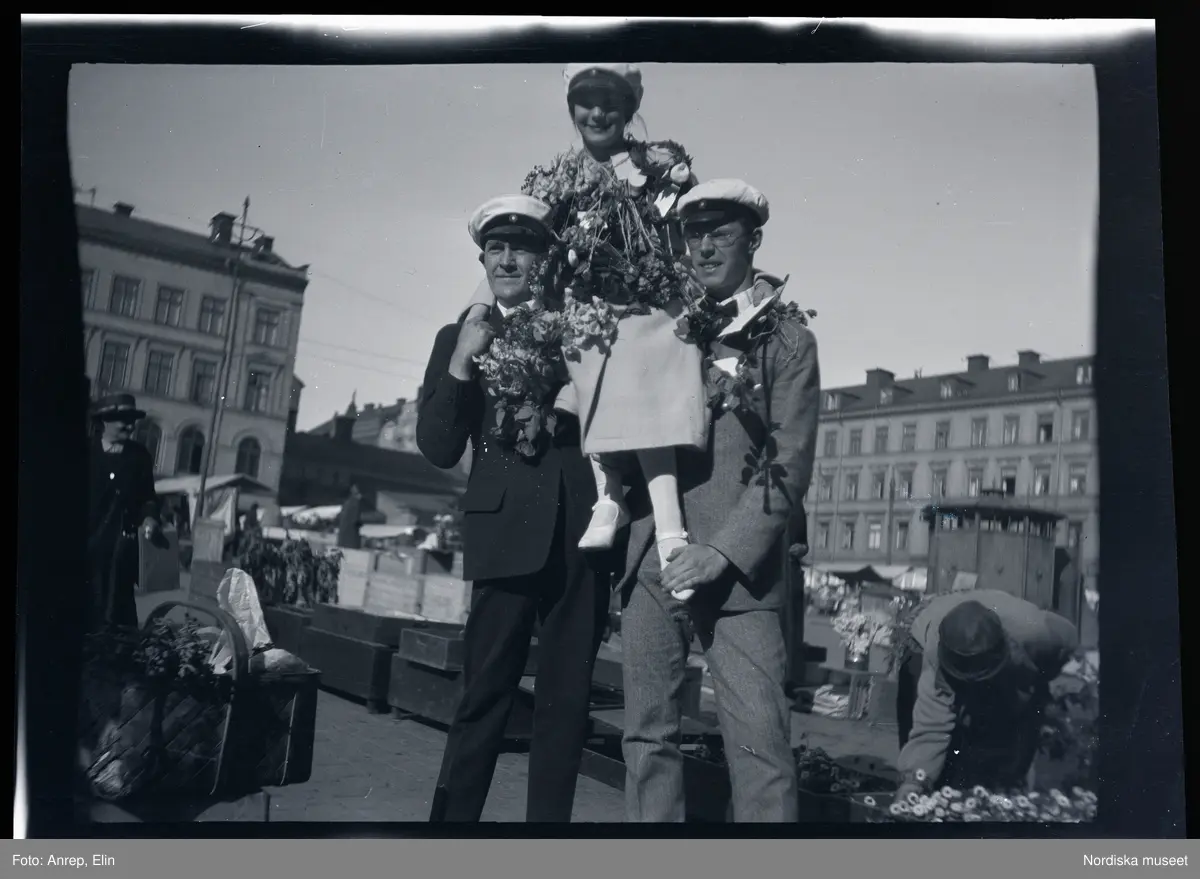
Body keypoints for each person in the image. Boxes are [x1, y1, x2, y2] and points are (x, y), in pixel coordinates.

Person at [615, 179, 821, 822]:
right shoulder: (658, 325)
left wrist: (724, 552)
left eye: (721, 234)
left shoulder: (787, 339)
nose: (703, 248)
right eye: (693, 235)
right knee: (647, 739)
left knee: (759, 745)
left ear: (753, 241)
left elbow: (788, 461)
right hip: (653, 557)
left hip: (739, 572)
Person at [460, 63, 710, 570]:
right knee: (583, 343)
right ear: (571, 108)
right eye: (586, 102)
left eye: (610, 103)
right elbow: (523, 245)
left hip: (650, 306)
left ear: (630, 109)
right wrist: (480, 306)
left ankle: (663, 522)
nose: (597, 113)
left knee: (641, 349)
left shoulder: (658, 168)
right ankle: (610, 494)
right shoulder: (557, 180)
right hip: (583, 315)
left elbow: (690, 242)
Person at [416, 194, 610, 823]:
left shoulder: (582, 331)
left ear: (544, 259)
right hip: (502, 535)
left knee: (565, 706)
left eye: (521, 250)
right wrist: (461, 361)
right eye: (495, 249)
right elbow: (438, 447)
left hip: (580, 538)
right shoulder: (458, 337)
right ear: (482, 260)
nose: (506, 261)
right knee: (483, 696)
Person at [892, 589, 1080, 801]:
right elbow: (931, 726)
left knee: (1012, 735)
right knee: (948, 761)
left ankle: (1004, 790)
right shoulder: (935, 654)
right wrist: (914, 781)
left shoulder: (1036, 632)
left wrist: (1039, 683)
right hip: (927, 630)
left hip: (1010, 649)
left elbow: (1069, 642)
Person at [87, 393, 163, 630]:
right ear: (105, 420)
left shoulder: (139, 456)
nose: (130, 427)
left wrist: (150, 518)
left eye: (133, 421)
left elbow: (148, 497)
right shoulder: (84, 451)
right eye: (124, 421)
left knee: (116, 613)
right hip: (84, 545)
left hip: (119, 550)